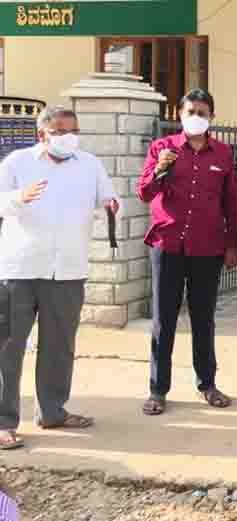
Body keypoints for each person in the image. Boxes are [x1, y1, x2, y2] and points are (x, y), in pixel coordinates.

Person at [0, 106, 119, 449]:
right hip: (18, 270)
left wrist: (112, 206)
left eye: (73, 130)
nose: (69, 137)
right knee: (8, 348)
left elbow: (107, 198)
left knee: (59, 347)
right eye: (61, 131)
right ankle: (4, 421)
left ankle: (52, 411)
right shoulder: (17, 163)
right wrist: (17, 198)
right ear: (42, 134)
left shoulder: (89, 164)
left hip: (67, 270)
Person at [137, 88, 237, 416]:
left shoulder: (223, 154)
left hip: (207, 247)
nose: (196, 117)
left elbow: (231, 201)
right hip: (168, 244)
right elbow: (144, 192)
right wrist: (160, 170)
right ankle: (158, 390)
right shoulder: (162, 148)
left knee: (203, 318)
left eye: (202, 112)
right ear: (179, 115)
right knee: (163, 319)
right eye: (190, 111)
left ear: (212, 116)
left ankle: (207, 384)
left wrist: (232, 244)